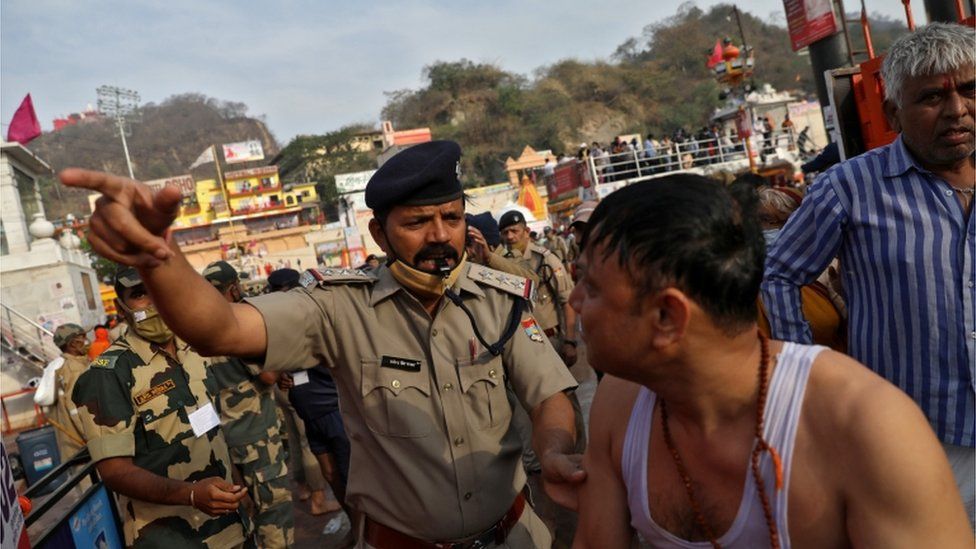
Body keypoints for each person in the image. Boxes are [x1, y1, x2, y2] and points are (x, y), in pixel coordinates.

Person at [63, 139, 583, 548]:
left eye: (451, 217)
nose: (440, 236)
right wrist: (158, 257)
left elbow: (547, 393)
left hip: (515, 535)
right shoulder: (337, 306)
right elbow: (218, 329)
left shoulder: (501, 298)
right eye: (418, 222)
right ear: (379, 235)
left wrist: (555, 449)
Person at [572, 175, 972, 548]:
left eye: (590, 286)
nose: (573, 302)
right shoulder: (620, 403)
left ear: (667, 317)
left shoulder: (864, 423)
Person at [762, 22, 975, 522]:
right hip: (914, 439)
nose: (957, 109)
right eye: (932, 98)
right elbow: (779, 277)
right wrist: (813, 380)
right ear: (893, 113)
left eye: (970, 90)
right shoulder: (849, 188)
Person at [71, 267, 248, 547]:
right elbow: (114, 471)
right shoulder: (107, 374)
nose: (153, 300)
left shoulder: (195, 350)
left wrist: (239, 492)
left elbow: (213, 433)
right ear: (122, 307)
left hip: (230, 528)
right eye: (140, 294)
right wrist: (191, 495)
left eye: (159, 288)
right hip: (169, 537)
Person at [202, 261, 294, 548]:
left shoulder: (197, 331)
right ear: (233, 288)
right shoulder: (235, 324)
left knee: (247, 512)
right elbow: (268, 375)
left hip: (225, 440)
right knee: (274, 512)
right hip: (257, 435)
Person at [265, 268, 336, 516]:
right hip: (300, 384)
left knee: (295, 438)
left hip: (282, 384)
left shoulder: (270, 312)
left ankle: (304, 487)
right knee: (308, 441)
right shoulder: (296, 311)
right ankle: (318, 497)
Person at [750, 185, 846, 352]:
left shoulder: (825, 267)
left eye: (785, 221)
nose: (775, 227)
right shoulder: (743, 273)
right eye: (765, 220)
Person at [498, 210, 578, 367]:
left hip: (549, 339)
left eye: (514, 231)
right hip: (523, 341)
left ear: (526, 232)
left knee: (563, 390)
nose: (510, 237)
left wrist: (570, 340)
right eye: (505, 232)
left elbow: (567, 301)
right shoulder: (503, 263)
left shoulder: (544, 258)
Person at [49, 323, 89, 460]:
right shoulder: (74, 369)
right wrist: (93, 437)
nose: (87, 341)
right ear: (72, 344)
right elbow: (76, 409)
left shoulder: (69, 365)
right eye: (83, 338)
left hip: (73, 446)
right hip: (82, 446)